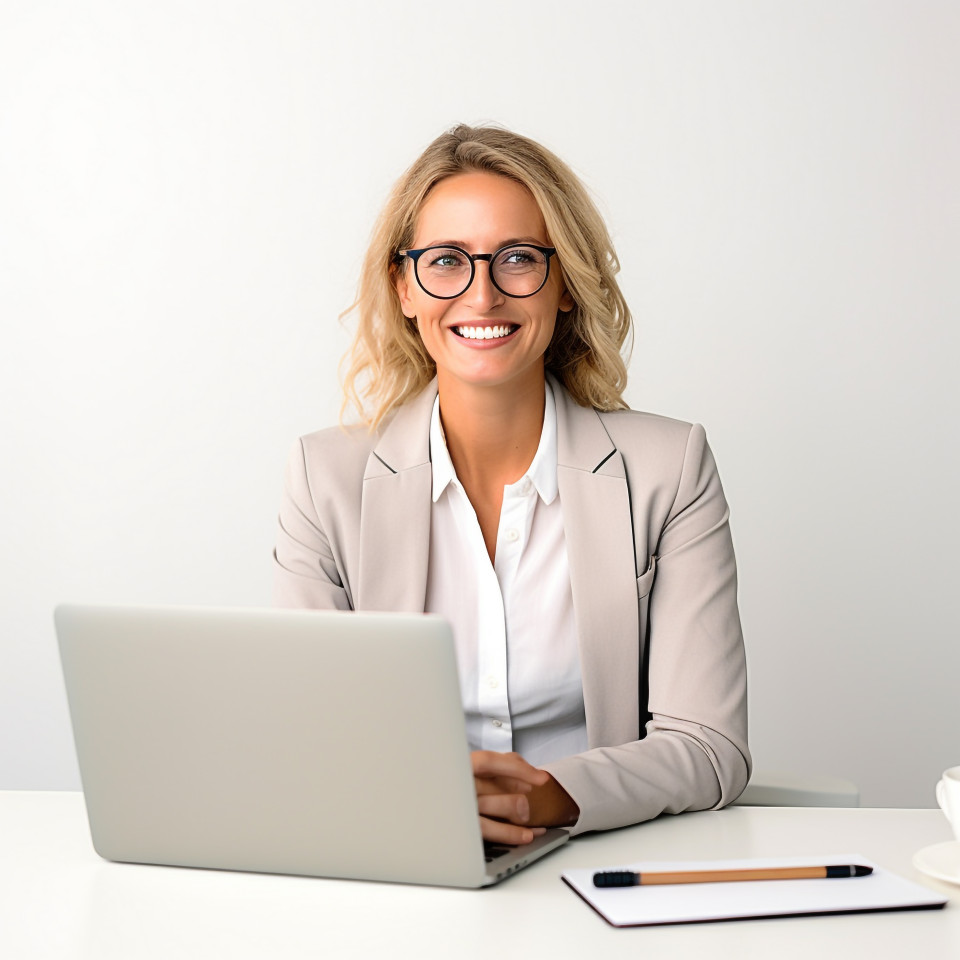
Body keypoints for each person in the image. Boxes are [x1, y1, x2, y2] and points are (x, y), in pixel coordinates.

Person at [273, 123, 749, 844]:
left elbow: (710, 747)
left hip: (596, 861)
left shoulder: (668, 469)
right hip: (401, 860)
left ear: (564, 284)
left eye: (519, 259)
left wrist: (555, 796)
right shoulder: (325, 479)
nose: (482, 294)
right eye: (446, 261)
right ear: (404, 287)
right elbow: (304, 738)